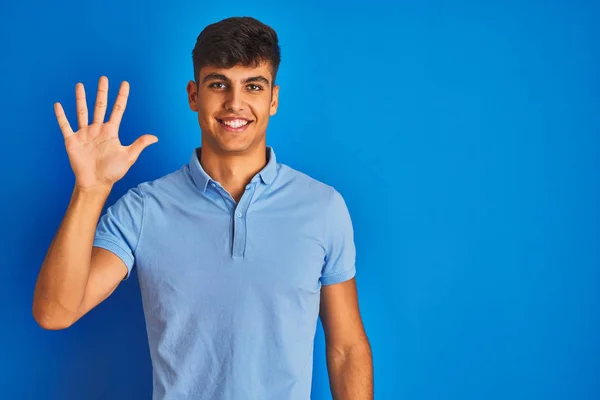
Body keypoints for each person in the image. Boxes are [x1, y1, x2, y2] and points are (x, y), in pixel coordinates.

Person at [32, 16, 373, 400]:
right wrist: (90, 190)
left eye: (253, 86)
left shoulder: (322, 206)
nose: (235, 103)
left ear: (273, 99)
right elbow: (55, 312)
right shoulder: (145, 209)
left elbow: (346, 349)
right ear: (194, 95)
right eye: (218, 84)